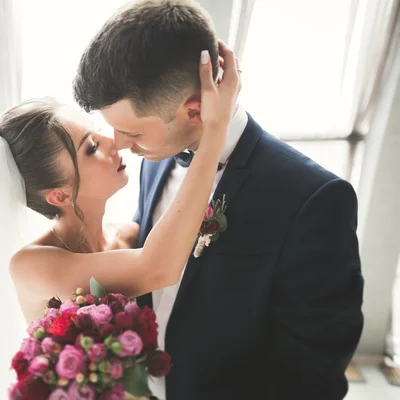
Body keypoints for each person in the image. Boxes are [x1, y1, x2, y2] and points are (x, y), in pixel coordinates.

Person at [72, 1, 364, 399]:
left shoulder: (313, 199)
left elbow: (313, 373)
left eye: (132, 133)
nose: (120, 146)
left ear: (195, 111)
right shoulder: (155, 161)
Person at [0, 43, 240, 395]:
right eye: (91, 148)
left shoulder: (126, 238)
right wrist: (215, 129)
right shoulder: (32, 265)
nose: (113, 141)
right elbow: (157, 268)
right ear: (61, 196)